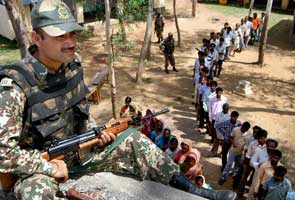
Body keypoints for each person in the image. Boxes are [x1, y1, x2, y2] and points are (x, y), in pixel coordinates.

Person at [0, 1, 237, 199]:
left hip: (81, 154)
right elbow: (3, 153)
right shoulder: (15, 86)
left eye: (72, 33)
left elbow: (81, 111)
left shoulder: (73, 65)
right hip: (40, 170)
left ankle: (192, 190)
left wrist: (96, 133)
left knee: (134, 141)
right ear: (36, 38)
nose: (70, 42)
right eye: (60, 36)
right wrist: (47, 167)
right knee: (35, 192)